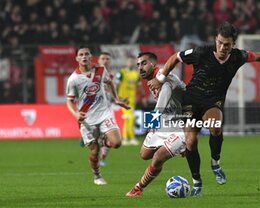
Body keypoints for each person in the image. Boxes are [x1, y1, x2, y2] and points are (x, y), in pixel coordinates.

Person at [148, 22, 260, 196]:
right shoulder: (201, 52)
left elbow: (258, 56)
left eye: (227, 44)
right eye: (219, 43)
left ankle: (215, 163)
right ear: (215, 40)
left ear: (233, 44)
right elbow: (174, 57)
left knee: (215, 127)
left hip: (213, 101)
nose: (222, 47)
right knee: (190, 141)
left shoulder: (238, 56)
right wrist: (161, 78)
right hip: (192, 101)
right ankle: (197, 182)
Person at [125, 52, 186, 196]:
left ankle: (138, 188)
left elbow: (164, 97)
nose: (140, 67)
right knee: (144, 154)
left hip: (181, 126)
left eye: (144, 63)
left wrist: (153, 120)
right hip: (165, 124)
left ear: (154, 64)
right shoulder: (151, 81)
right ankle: (178, 148)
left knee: (158, 157)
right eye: (138, 65)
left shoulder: (167, 78)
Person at [66, 46, 129, 185]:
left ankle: (103, 138)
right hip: (87, 119)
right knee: (94, 152)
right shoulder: (73, 79)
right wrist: (76, 114)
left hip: (104, 113)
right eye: (81, 54)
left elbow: (109, 82)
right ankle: (97, 175)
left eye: (86, 54)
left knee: (117, 143)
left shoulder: (100, 70)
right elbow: (69, 101)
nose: (84, 57)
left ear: (90, 56)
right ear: (77, 58)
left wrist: (116, 98)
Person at [116, 56, 146, 146]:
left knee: (129, 119)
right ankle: (129, 138)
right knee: (130, 118)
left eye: (132, 62)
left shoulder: (136, 74)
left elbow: (139, 86)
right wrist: (116, 97)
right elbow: (116, 85)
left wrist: (143, 96)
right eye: (129, 61)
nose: (131, 63)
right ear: (127, 62)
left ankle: (126, 138)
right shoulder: (121, 73)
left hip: (132, 100)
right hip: (123, 100)